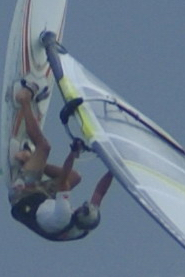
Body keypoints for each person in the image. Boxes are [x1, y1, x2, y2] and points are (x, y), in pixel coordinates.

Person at [9, 81, 113, 241]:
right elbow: (100, 192)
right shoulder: (87, 222)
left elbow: (63, 180)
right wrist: (114, 168)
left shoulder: (64, 216)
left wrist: (73, 154)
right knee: (75, 177)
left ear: (77, 215)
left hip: (22, 196)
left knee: (44, 147)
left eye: (80, 209)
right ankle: (28, 160)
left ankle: (24, 99)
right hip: (41, 199)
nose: (79, 206)